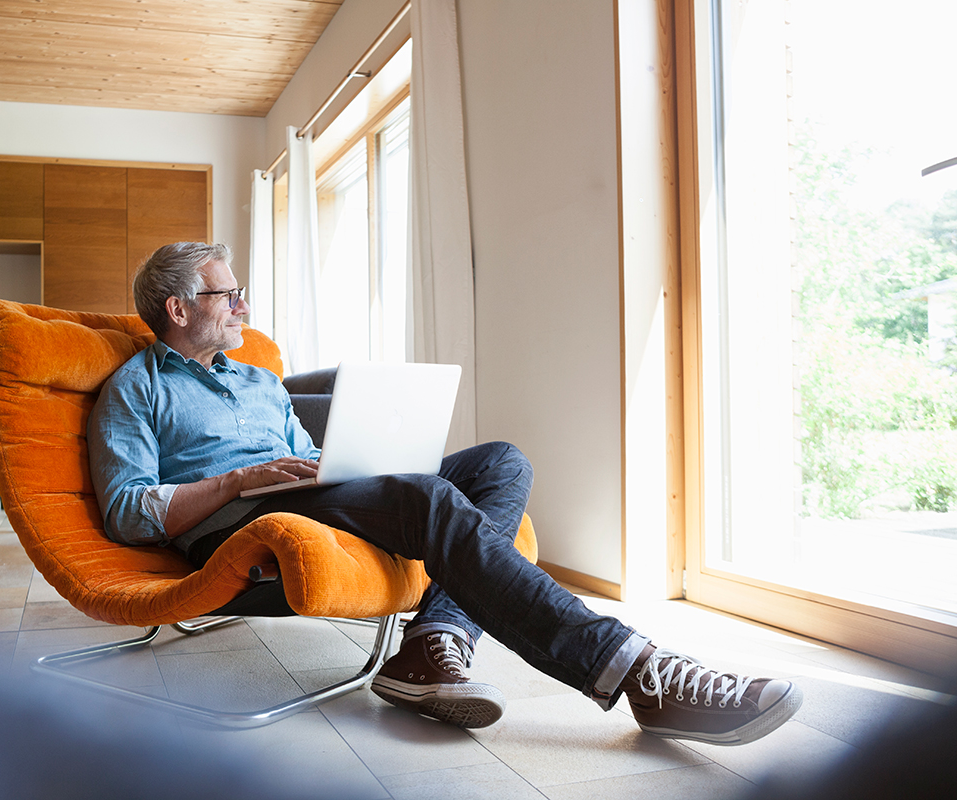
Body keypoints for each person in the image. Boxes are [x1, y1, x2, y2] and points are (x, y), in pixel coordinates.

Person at [88, 241, 804, 745]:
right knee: (427, 499)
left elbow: (303, 456)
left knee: (500, 462)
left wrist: (334, 464)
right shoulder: (137, 388)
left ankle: (434, 638)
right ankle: (640, 674)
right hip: (236, 520)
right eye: (226, 292)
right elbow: (127, 511)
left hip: (302, 494)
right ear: (178, 309)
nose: (244, 302)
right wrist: (239, 480)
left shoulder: (259, 379)